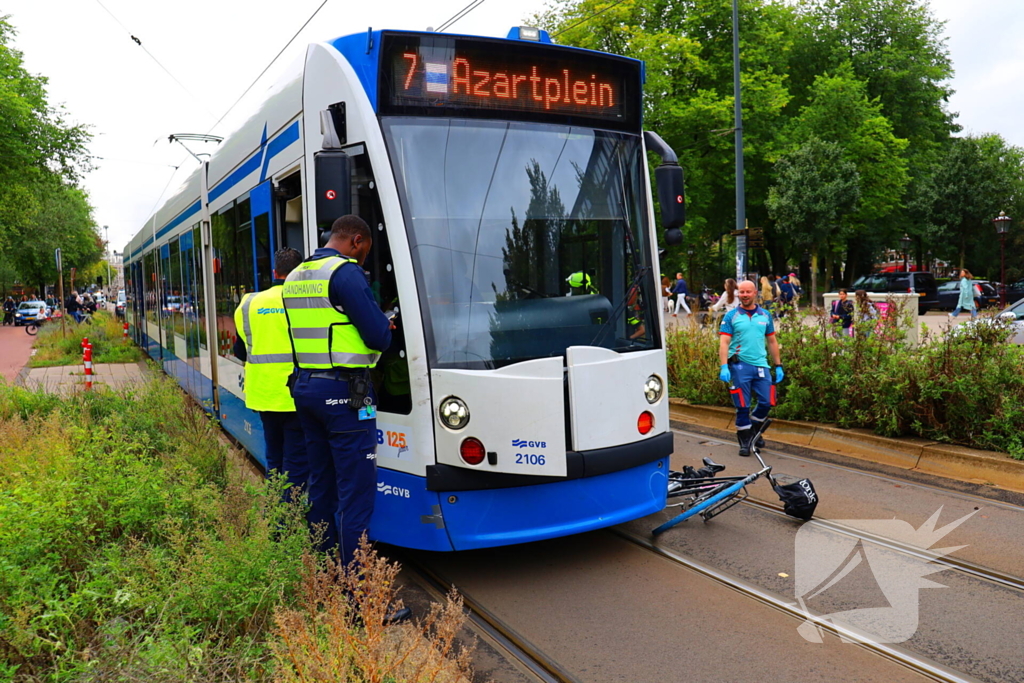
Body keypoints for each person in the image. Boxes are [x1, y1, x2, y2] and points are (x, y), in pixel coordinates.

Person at [282, 216, 393, 560]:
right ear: (356, 241)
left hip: (306, 388)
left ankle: (325, 572)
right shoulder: (344, 273)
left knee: (322, 485)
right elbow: (378, 336)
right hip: (347, 395)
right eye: (363, 252)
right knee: (356, 493)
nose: (361, 259)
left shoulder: (295, 277)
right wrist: (386, 325)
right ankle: (358, 596)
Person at [233, 247, 309, 499]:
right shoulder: (304, 301)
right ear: (300, 272)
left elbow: (240, 351)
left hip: (263, 393)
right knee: (297, 462)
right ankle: (289, 519)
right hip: (296, 394)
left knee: (275, 458)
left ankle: (276, 514)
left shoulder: (249, 303)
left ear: (275, 271)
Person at [718, 280, 783, 456]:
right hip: (739, 366)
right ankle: (745, 440)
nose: (744, 295)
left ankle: (753, 432)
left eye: (748, 292)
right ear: (738, 293)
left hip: (762, 365)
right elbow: (724, 342)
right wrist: (724, 366)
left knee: (767, 402)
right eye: (742, 292)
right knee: (743, 406)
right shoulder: (731, 316)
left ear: (755, 293)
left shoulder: (765, 315)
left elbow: (772, 341)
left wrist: (778, 365)